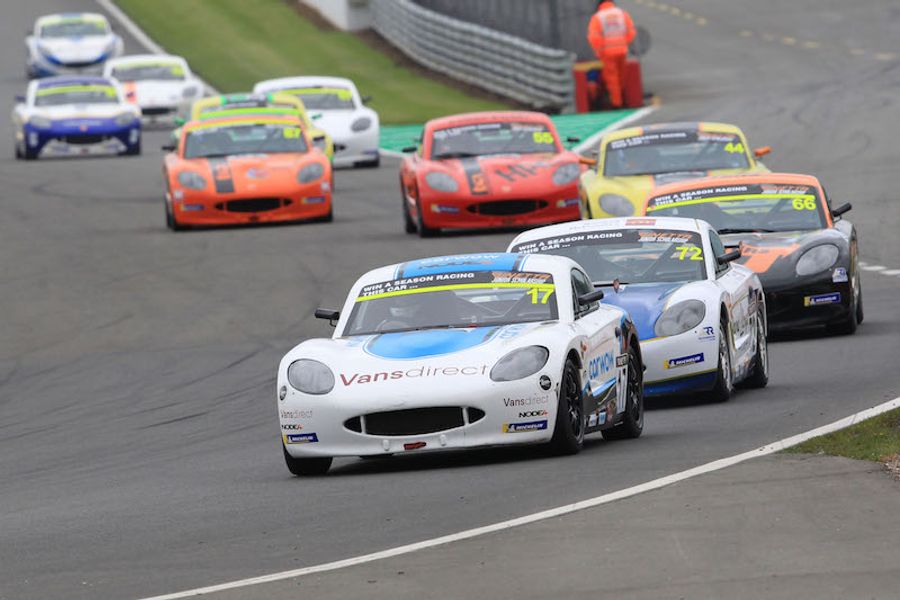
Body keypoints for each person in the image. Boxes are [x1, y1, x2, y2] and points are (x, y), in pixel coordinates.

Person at [587, 0, 637, 108]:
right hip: (622, 50)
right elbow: (631, 31)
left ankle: (617, 103)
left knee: (612, 78)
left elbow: (594, 37)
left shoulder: (598, 17)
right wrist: (624, 42)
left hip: (607, 52)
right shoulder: (621, 14)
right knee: (621, 76)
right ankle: (622, 98)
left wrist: (600, 51)